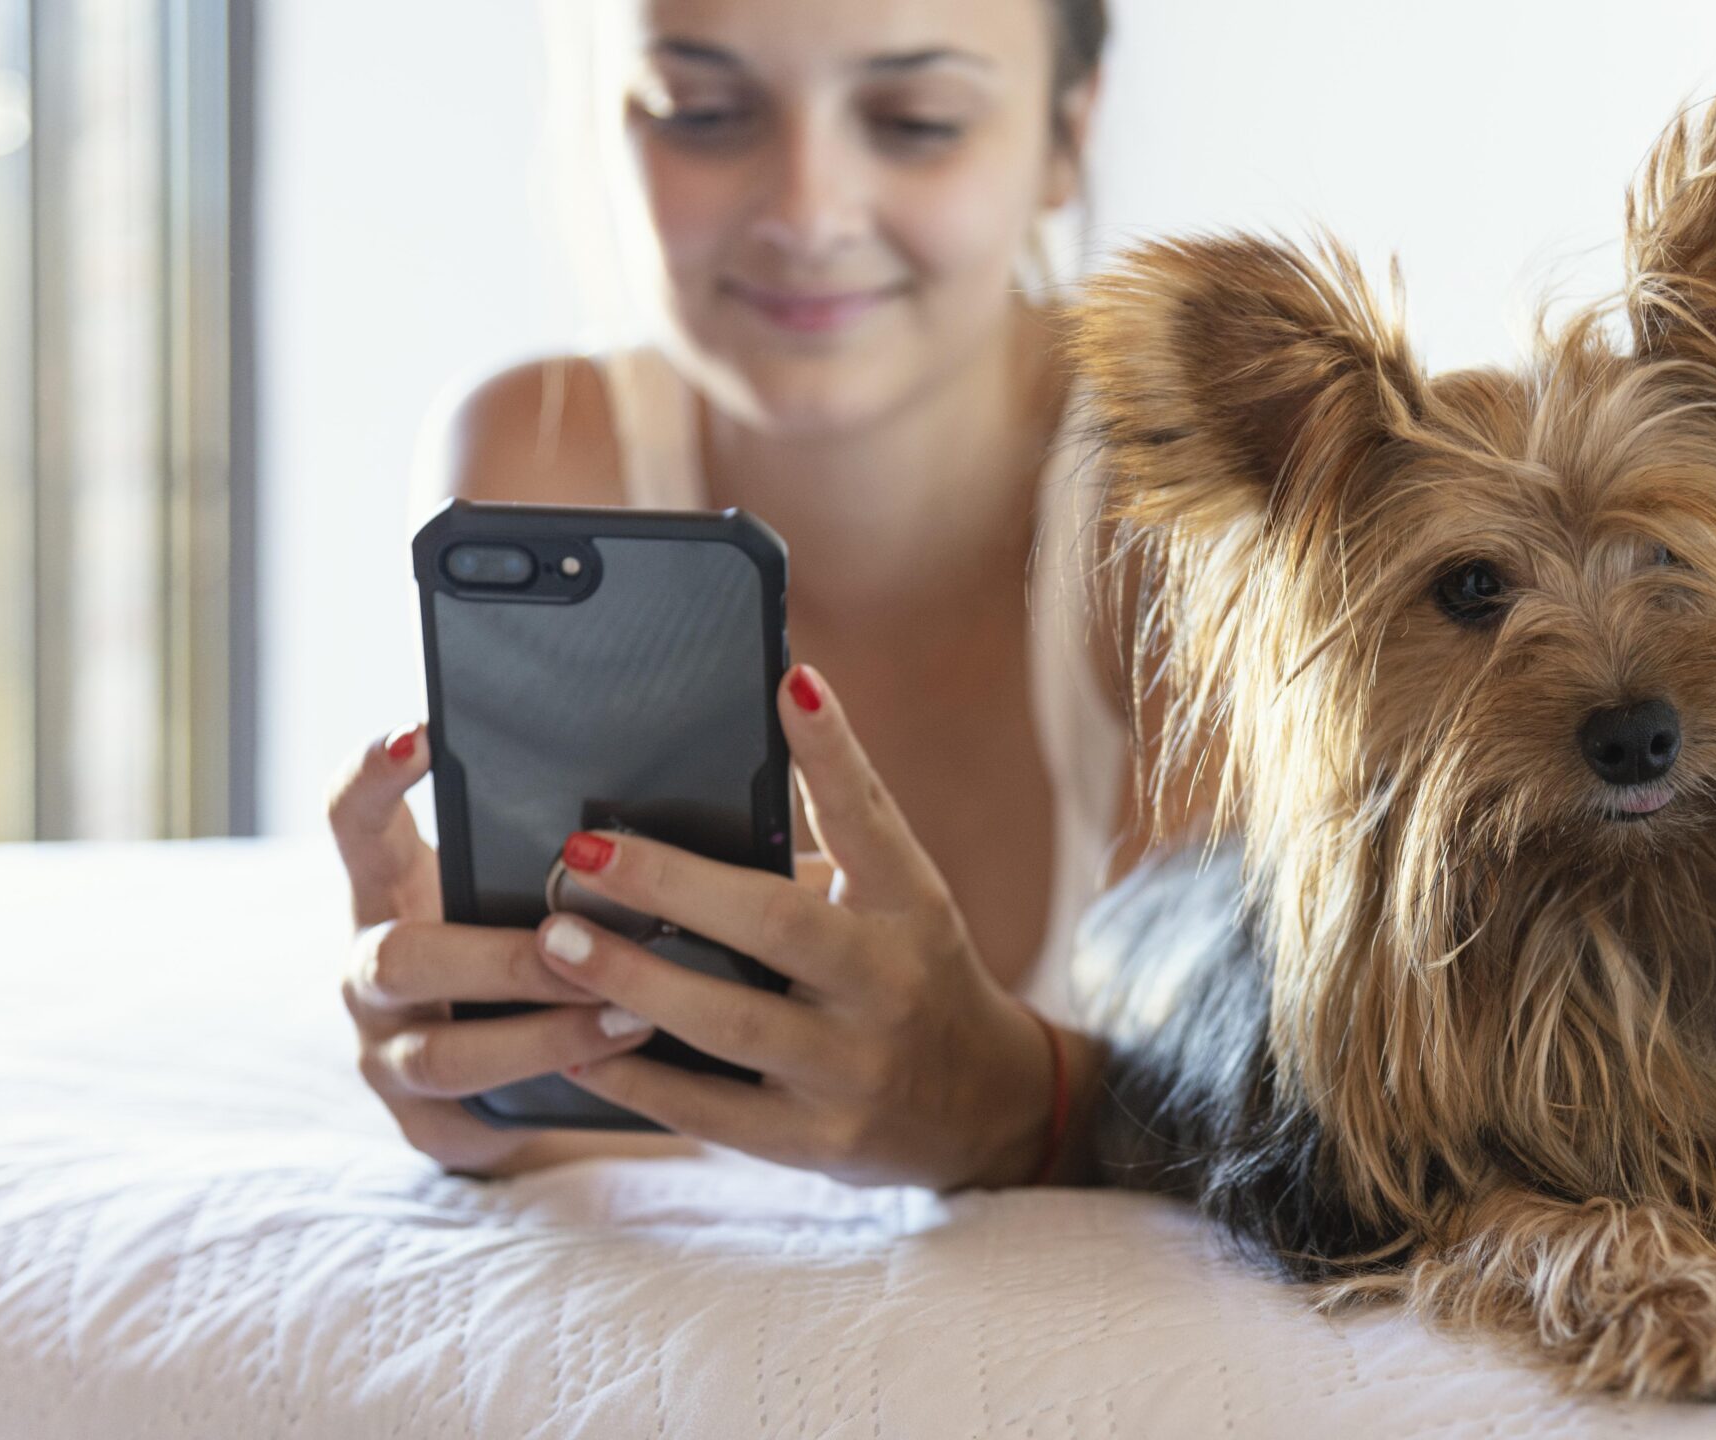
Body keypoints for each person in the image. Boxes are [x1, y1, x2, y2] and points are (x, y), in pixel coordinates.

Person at [325, 0, 1145, 1191]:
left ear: (1068, 132)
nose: (807, 215)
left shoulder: (1202, 507)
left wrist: (1022, 1104)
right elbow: (594, 1112)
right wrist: (478, 1095)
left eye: (916, 120)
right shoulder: (542, 459)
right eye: (701, 113)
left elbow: (1305, 1115)